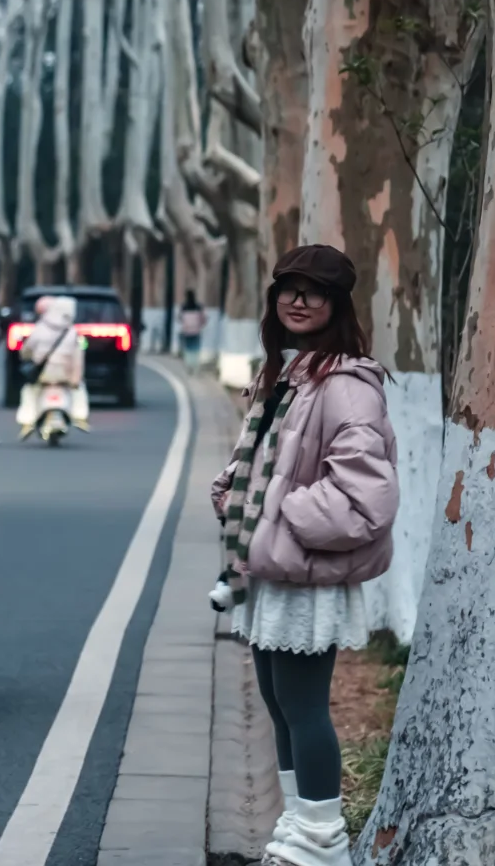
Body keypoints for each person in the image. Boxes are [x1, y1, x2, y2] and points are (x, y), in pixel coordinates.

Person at [207, 245, 398, 866]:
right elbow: (264, 463)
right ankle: (298, 827)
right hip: (272, 567)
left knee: (305, 707)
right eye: (288, 288)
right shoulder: (286, 374)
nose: (298, 300)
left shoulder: (344, 384)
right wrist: (234, 491)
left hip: (305, 572)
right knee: (278, 703)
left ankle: (323, 842)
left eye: (314, 292)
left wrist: (278, 514)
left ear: (337, 305)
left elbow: (366, 496)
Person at [15, 295, 90, 437]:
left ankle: (27, 422)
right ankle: (81, 418)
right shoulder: (73, 333)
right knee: (79, 391)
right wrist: (76, 379)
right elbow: (78, 358)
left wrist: (26, 357)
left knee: (29, 391)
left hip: (43, 374)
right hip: (65, 374)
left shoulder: (40, 329)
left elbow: (27, 349)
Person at [179, 289, 207, 373]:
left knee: (188, 349)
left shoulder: (183, 307)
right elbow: (203, 319)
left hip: (187, 331)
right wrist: (200, 325)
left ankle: (189, 365)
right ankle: (195, 365)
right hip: (196, 330)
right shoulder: (198, 307)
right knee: (196, 349)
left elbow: (180, 318)